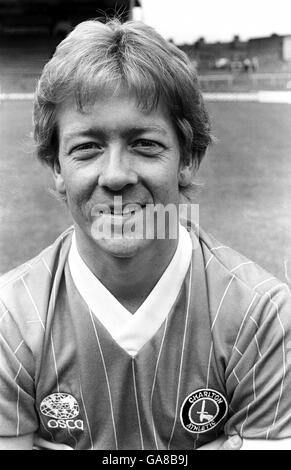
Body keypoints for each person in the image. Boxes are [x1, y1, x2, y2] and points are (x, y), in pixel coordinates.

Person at [0, 18, 290, 451]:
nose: (116, 176)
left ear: (187, 158)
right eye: (87, 147)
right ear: (58, 168)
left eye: (144, 144)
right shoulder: (9, 321)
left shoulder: (262, 317)